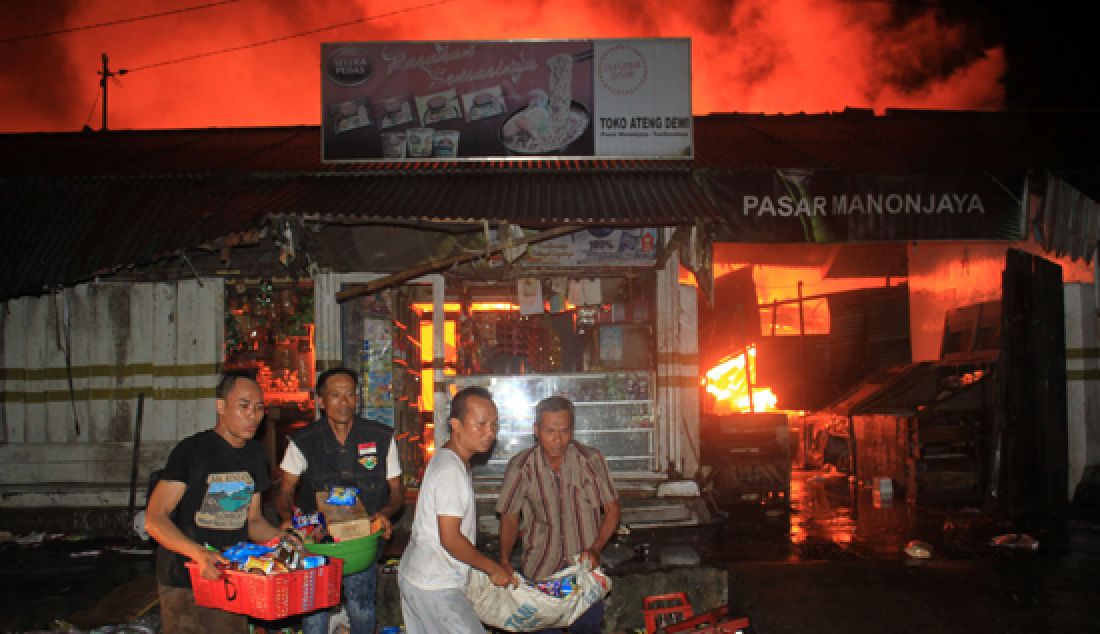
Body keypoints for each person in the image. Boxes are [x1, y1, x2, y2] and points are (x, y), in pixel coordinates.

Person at [145, 371, 284, 634]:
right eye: (244, 406)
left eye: (259, 408)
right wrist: (199, 554)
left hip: (230, 577)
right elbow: (155, 518)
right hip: (185, 579)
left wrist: (284, 540)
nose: (253, 416)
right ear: (220, 406)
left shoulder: (255, 454)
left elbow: (253, 521)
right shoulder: (192, 451)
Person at [275, 367, 404, 634]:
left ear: (357, 399)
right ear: (320, 401)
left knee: (362, 606)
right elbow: (285, 490)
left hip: (362, 540)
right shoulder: (303, 441)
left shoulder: (380, 437)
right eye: (335, 395)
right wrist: (288, 519)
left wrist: (385, 514)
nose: (344, 402)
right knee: (314, 613)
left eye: (350, 395)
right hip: (319, 542)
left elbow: (397, 491)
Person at [496, 396, 621, 634]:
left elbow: (613, 510)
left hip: (583, 574)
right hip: (543, 574)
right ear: (536, 431)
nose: (558, 440)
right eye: (550, 431)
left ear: (572, 431)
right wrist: (504, 559)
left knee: (587, 629)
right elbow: (509, 517)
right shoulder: (521, 467)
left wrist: (596, 547)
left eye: (564, 431)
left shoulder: (591, 461)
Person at [398, 386, 516, 633]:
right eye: (480, 424)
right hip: (435, 585)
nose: (489, 433)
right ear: (456, 424)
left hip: (420, 576)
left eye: (494, 425)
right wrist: (492, 568)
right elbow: (450, 538)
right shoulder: (451, 470)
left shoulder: (448, 459)